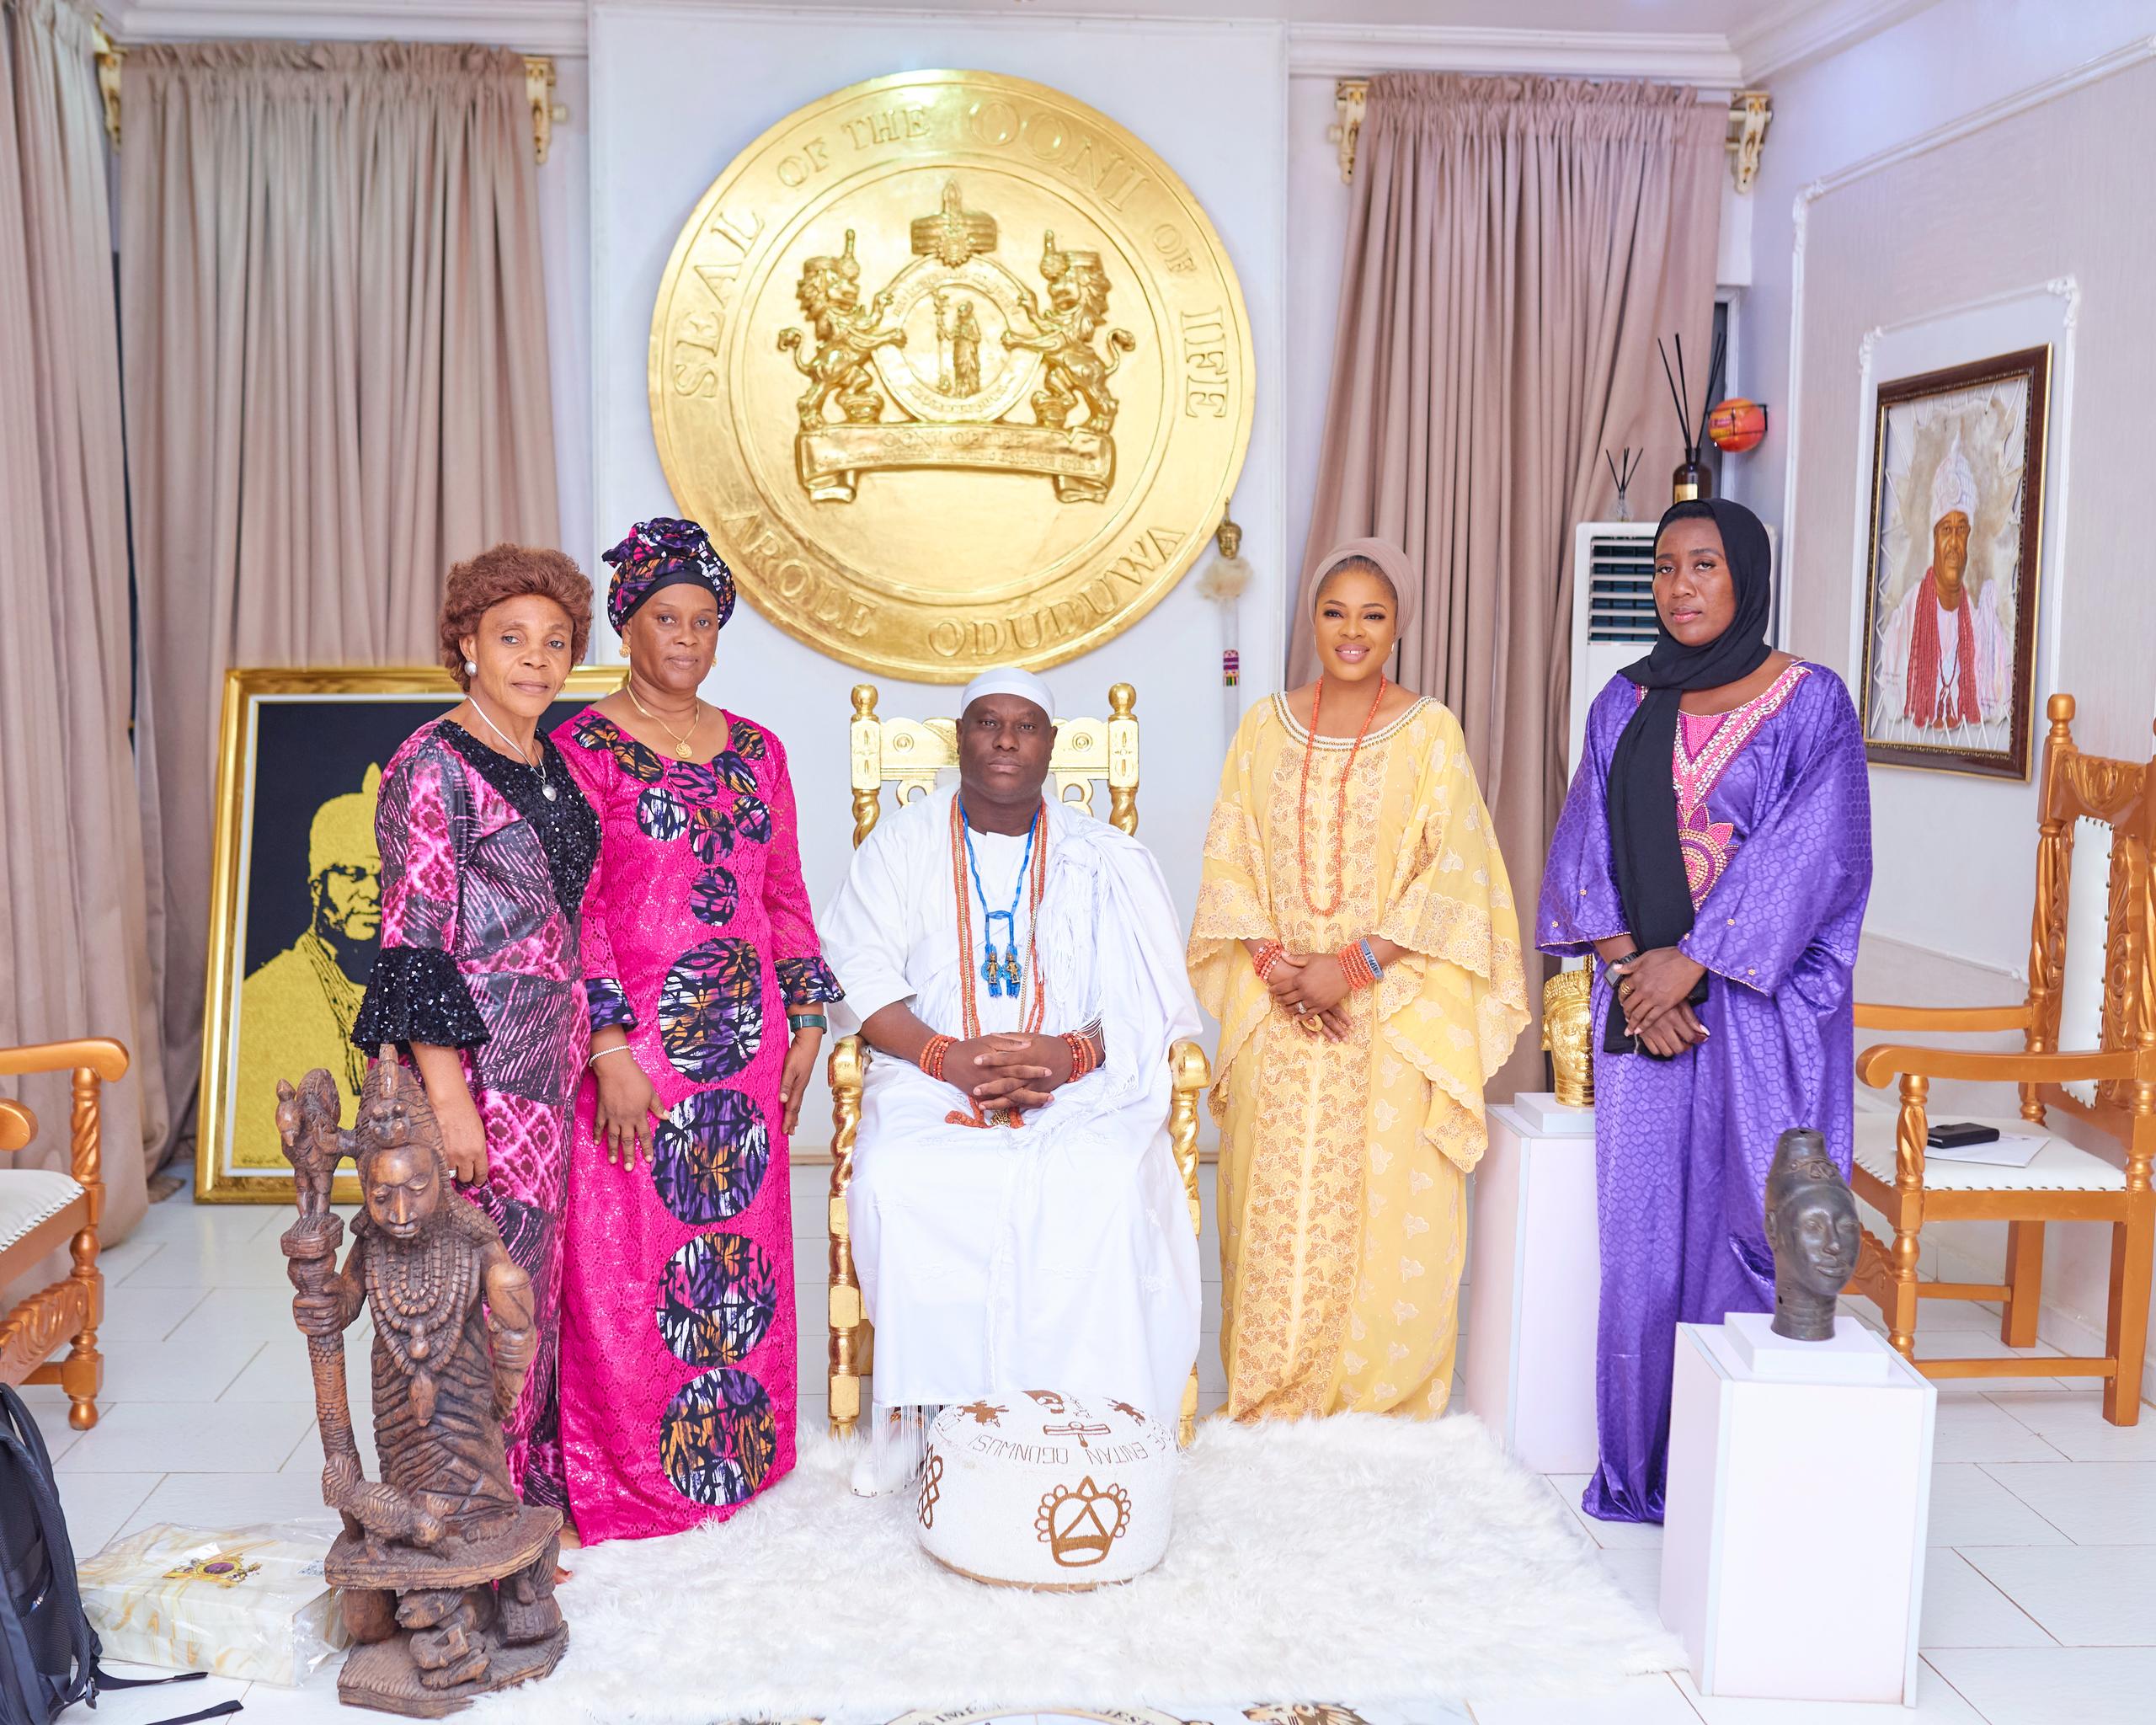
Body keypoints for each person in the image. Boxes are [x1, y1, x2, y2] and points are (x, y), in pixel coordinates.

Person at [1539, 496, 1871, 1525]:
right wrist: (1638, 970)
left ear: (1746, 579)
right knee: (1639, 1242)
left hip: (1756, 1014)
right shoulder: (1623, 700)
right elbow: (1581, 855)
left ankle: (1737, 1485)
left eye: (1704, 566)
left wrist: (1698, 962)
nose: (1680, 588)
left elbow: (1814, 853)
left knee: (1749, 1223)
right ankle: (1639, 1469)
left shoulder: (1810, 701)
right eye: (1665, 568)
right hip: (1645, 1010)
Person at [819, 665, 1203, 1495]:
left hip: (1075, 1080)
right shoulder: (900, 843)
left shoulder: (1103, 859)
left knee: (1099, 1179)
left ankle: (1087, 1418)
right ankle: (925, 1416)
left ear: (1050, 746)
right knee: (902, 1173)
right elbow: (855, 973)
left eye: (1023, 725)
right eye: (986, 722)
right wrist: (946, 1058)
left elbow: (1140, 1001)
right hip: (926, 1072)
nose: (1003, 739)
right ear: (959, 737)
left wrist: (1068, 1057)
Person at [1188, 539, 1527, 1420]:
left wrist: (1350, 967)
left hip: (1389, 1013)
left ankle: (1378, 1406)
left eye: (1372, 614)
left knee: (1388, 1213)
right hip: (1278, 1012)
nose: (1351, 630)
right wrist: (1278, 968)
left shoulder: (1428, 730)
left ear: (1398, 625)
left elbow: (1455, 872)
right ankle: (1268, 1394)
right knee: (1270, 1214)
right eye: (1335, 611)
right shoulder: (1264, 724)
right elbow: (1230, 854)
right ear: (1312, 618)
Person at [552, 517, 841, 1541]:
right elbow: (572, 905)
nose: (685, 637)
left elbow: (786, 891)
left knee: (737, 1258)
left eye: (704, 621)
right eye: (665, 617)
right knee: (631, 1263)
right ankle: (635, 1474)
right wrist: (607, 1047)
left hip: (744, 1053)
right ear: (626, 624)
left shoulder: (758, 748)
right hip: (636, 1056)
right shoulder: (580, 746)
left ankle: (737, 1463)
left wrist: (807, 1020)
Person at [350, 543, 600, 1509]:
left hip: (553, 1061)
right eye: (511, 638)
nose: (536, 659)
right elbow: (412, 937)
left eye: (555, 641)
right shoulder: (434, 762)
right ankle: (459, 1511)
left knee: (529, 1285)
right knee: (473, 1292)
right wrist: (448, 1098)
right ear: (466, 643)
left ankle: (521, 1496)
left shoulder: (545, 756)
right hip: (481, 1067)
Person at [237, 765, 382, 1136]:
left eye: (382, 877)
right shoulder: (266, 994)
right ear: (318, 886)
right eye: (352, 875)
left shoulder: (406, 985)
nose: (372, 892)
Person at [1870, 431, 2010, 739]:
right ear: (1934, 537)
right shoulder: (1905, 617)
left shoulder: (1981, 622)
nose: (1953, 542)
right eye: (1946, 529)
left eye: (1962, 530)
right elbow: (1892, 703)